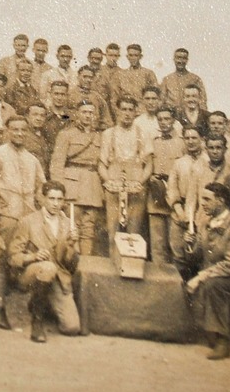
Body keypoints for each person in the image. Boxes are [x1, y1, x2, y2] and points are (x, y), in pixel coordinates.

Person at [0, 114, 46, 330]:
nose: (19, 133)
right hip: (6, 216)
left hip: (27, 219)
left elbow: (41, 189)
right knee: (1, 262)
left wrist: (42, 212)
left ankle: (33, 305)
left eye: (23, 130)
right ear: (7, 131)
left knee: (28, 261)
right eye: (15, 129)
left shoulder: (32, 159)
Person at [182, 182, 230, 360]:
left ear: (221, 201)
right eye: (202, 199)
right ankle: (203, 331)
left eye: (207, 199)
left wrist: (201, 277)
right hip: (212, 275)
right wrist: (189, 243)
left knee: (214, 286)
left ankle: (223, 341)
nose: (203, 204)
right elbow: (196, 257)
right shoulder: (206, 223)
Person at [8, 181, 83, 342]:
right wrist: (33, 257)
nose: (56, 204)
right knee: (48, 267)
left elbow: (70, 264)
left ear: (64, 201)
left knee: (72, 328)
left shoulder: (67, 223)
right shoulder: (28, 221)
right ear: (43, 199)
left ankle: (43, 304)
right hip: (31, 274)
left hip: (57, 277)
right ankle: (37, 321)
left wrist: (71, 245)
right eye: (51, 198)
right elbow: (13, 257)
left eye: (59, 199)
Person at [98, 96, 153, 260]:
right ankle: (113, 266)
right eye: (124, 109)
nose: (127, 113)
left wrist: (139, 182)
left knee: (133, 231)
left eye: (131, 109)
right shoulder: (109, 134)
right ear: (117, 110)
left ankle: (131, 268)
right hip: (114, 179)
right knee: (113, 229)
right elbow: (101, 164)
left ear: (136, 112)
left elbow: (149, 165)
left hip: (136, 180)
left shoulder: (143, 133)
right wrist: (108, 181)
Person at [49, 100, 104, 255]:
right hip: (72, 186)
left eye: (91, 112)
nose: (88, 116)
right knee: (71, 227)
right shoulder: (66, 134)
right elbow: (57, 163)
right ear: (77, 114)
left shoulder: (99, 136)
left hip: (93, 186)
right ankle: (70, 265)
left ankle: (85, 266)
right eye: (84, 112)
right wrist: (60, 190)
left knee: (89, 229)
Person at [146, 106, 186, 265]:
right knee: (157, 243)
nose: (163, 123)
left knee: (175, 243)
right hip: (156, 195)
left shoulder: (182, 143)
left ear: (174, 120)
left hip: (175, 197)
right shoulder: (153, 142)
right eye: (160, 119)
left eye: (167, 119)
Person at [166, 126, 209, 261]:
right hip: (181, 212)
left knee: (200, 254)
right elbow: (172, 188)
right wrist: (180, 211)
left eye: (194, 138)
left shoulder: (209, 161)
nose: (190, 141)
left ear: (202, 139)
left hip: (203, 213)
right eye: (187, 138)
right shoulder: (179, 163)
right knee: (178, 253)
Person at [118, 44, 159, 112]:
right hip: (127, 110)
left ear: (140, 56)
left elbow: (155, 95)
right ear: (127, 56)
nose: (133, 58)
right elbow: (116, 96)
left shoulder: (148, 73)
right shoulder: (121, 74)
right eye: (131, 55)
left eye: (136, 55)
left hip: (144, 111)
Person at [72, 64, 112, 131]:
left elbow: (107, 120)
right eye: (85, 77)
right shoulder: (71, 95)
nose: (88, 80)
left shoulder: (97, 97)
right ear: (78, 77)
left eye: (90, 77)